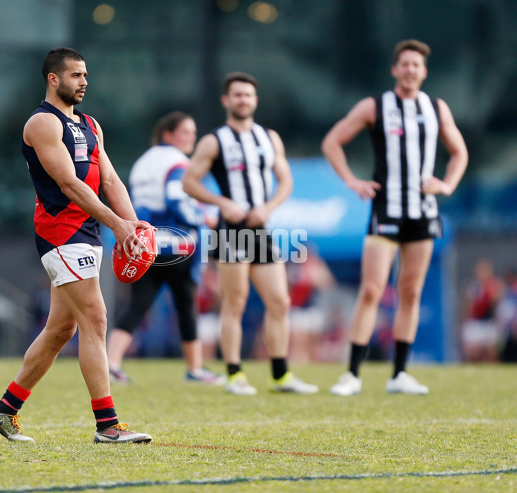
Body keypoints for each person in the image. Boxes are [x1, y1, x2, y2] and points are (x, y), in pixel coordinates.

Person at [0, 47, 152, 443]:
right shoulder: (41, 123)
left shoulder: (92, 124)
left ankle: (4, 411)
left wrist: (131, 225)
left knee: (60, 329)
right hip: (61, 231)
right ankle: (108, 427)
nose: (84, 82)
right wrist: (119, 226)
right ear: (53, 79)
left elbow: (109, 180)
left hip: (89, 232)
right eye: (76, 75)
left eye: (86, 75)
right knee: (95, 319)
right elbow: (69, 184)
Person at [321, 39, 468, 396]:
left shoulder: (436, 108)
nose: (410, 70)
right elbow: (332, 142)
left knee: (411, 292)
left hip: (422, 212)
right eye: (404, 63)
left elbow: (458, 152)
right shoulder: (376, 105)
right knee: (372, 289)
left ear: (424, 71)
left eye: (416, 65)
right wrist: (352, 181)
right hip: (385, 209)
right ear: (395, 69)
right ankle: (352, 374)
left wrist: (447, 185)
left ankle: (399, 374)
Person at [182, 71, 318, 395]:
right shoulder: (215, 140)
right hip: (230, 230)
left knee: (280, 301)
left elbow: (285, 181)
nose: (243, 100)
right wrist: (221, 202)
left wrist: (268, 208)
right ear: (226, 100)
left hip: (261, 228)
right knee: (235, 302)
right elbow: (189, 181)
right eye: (237, 95)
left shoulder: (268, 138)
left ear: (255, 101)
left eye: (248, 95)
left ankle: (281, 374)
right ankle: (234, 373)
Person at [106, 111, 225, 385]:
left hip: (146, 244)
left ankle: (112, 363)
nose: (191, 139)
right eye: (186, 132)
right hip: (178, 245)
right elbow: (176, 199)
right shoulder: (178, 163)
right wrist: (203, 216)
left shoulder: (142, 163)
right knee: (186, 305)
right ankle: (195, 369)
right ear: (168, 134)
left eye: (193, 133)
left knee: (138, 304)